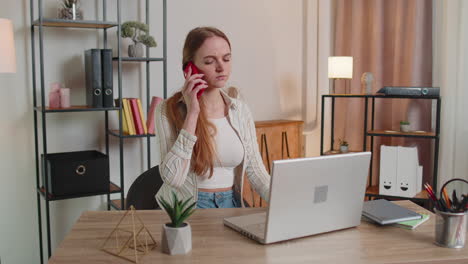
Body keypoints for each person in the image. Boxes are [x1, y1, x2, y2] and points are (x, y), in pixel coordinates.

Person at [155, 27, 270, 209]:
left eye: (226, 58)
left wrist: (285, 201)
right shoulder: (166, 110)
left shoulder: (239, 110)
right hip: (186, 208)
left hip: (231, 203)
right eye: (209, 61)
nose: (221, 67)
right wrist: (192, 112)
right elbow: (173, 178)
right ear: (189, 69)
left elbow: (256, 172)